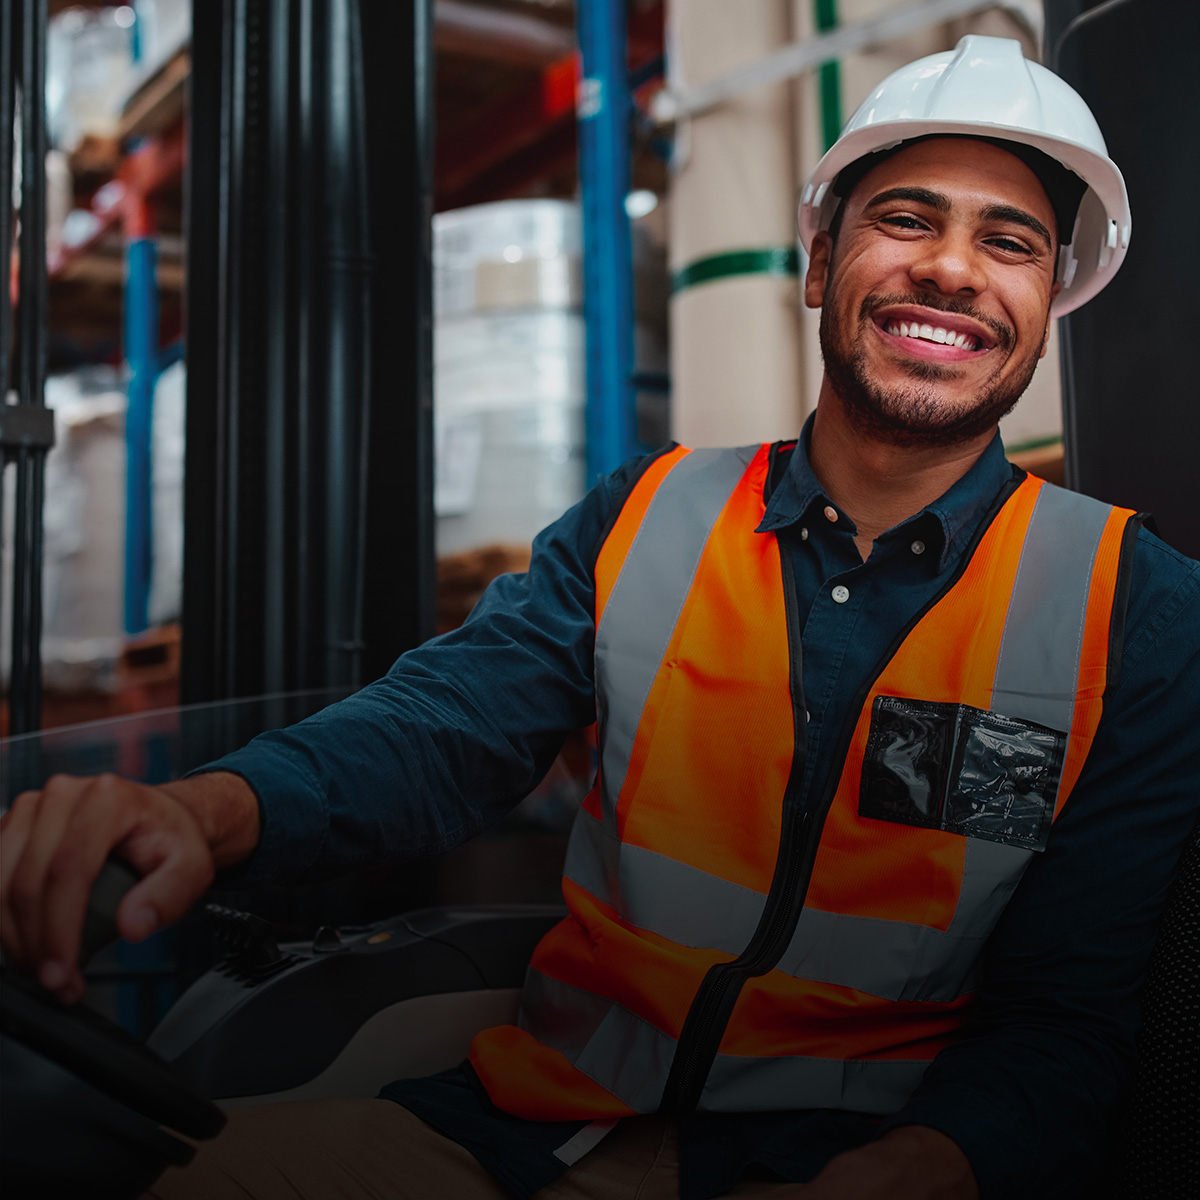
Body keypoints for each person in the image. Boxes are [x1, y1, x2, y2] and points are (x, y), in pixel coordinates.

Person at [2, 34, 1198, 1200]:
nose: (951, 269)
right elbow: (441, 727)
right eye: (906, 219)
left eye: (1010, 243)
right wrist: (197, 812)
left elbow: (1069, 1020)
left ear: (1051, 300)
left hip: (857, 1165)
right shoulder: (649, 515)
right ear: (821, 259)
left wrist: (919, 1172)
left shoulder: (1135, 610)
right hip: (525, 1136)